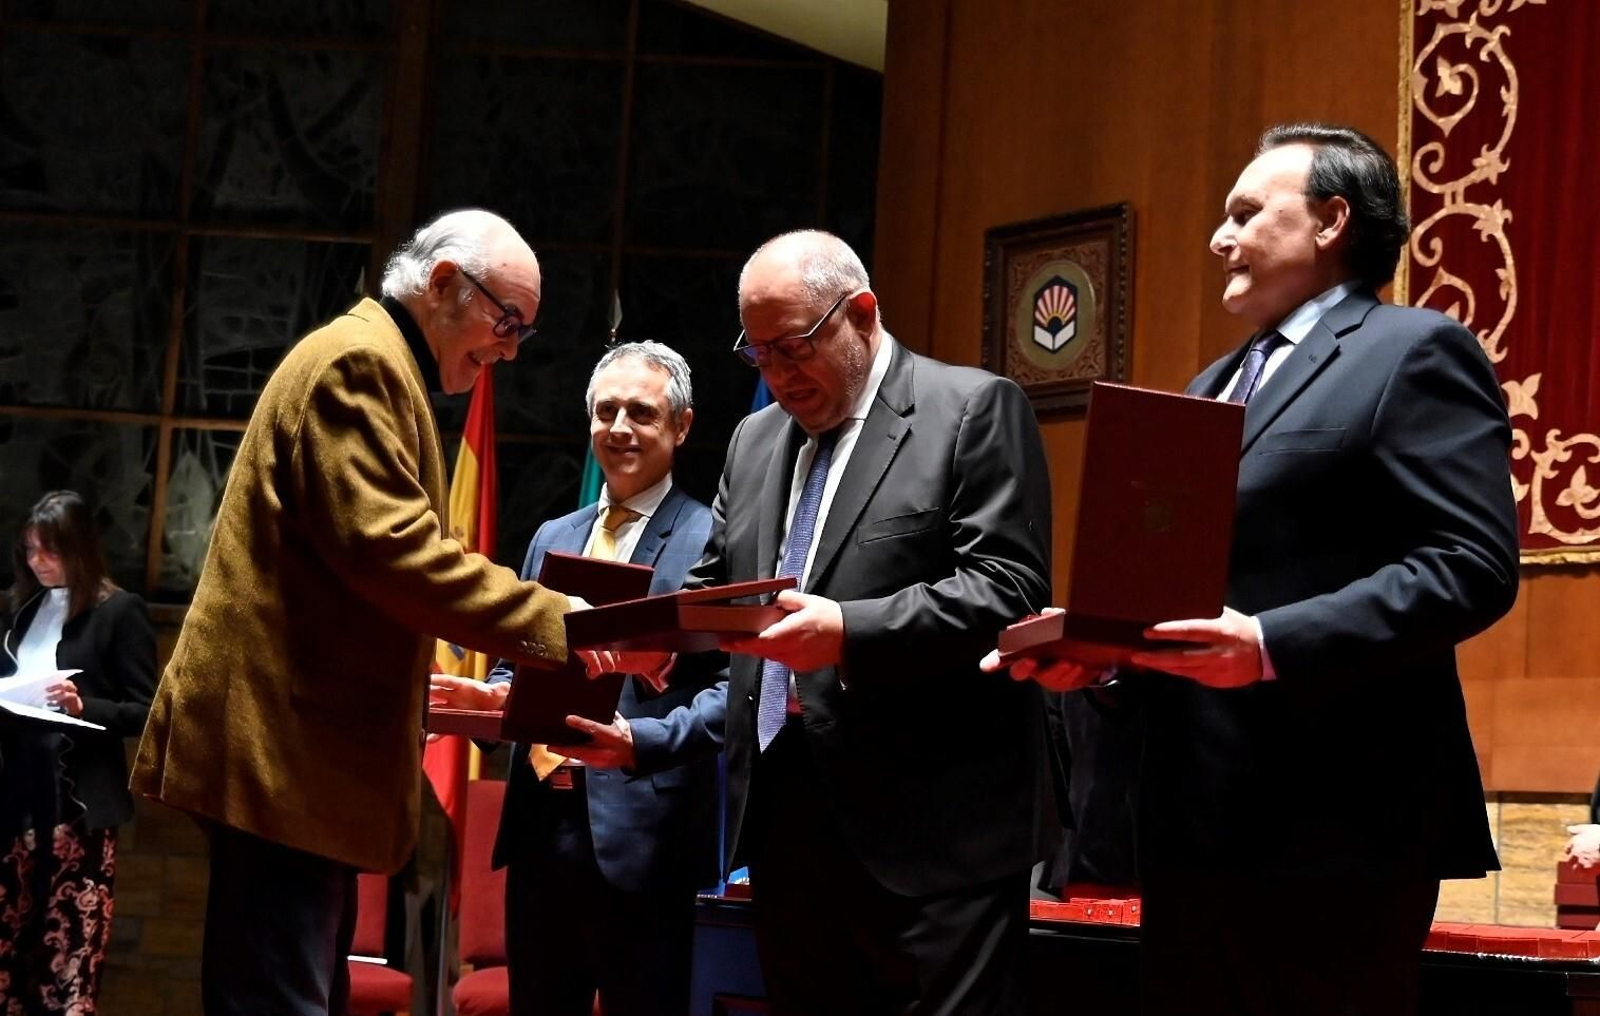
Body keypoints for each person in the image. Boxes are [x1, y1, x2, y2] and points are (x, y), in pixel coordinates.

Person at [999, 124, 1519, 1016]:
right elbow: (1179, 590)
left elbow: (1471, 565)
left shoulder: (1413, 350)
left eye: (1245, 213)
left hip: (1338, 830)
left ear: (1330, 221)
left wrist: (1272, 644)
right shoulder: (1212, 384)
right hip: (1190, 824)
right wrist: (1107, 657)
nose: (1217, 238)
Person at [130, 209, 657, 1016]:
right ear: (444, 284)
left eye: (524, 331)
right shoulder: (359, 364)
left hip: (299, 759)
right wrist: (566, 621)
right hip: (283, 754)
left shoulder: (377, 360)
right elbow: (395, 554)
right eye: (506, 321)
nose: (511, 349)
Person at [573, 230, 1055, 1013]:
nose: (779, 376)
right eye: (758, 355)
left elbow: (1009, 590)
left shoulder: (970, 409)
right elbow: (719, 587)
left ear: (861, 314)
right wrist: (654, 642)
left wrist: (847, 629)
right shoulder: (755, 439)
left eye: (794, 348)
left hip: (935, 838)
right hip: (786, 825)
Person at [431, 341, 717, 1016]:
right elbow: (519, 658)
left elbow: (732, 691)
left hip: (645, 844)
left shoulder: (712, 538)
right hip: (540, 834)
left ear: (681, 427)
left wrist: (640, 741)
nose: (619, 428)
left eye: (641, 413)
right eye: (606, 410)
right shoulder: (552, 536)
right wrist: (493, 696)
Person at [0, 491, 155, 1015]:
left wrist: (83, 703)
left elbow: (145, 711)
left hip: (77, 811)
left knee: (68, 956)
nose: (38, 562)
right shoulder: (18, 609)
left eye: (51, 551)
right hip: (12, 805)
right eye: (29, 550)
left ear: (80, 549)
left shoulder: (118, 611)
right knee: (8, 952)